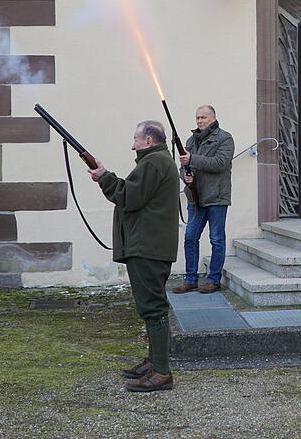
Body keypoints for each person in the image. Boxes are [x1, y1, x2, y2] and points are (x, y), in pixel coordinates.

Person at [88, 120, 179, 391]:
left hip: (147, 247)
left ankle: (161, 372)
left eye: (136, 140)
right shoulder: (157, 161)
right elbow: (135, 194)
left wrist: (104, 176)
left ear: (149, 141)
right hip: (150, 245)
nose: (132, 145)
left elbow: (129, 197)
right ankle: (154, 362)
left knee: (153, 308)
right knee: (151, 306)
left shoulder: (153, 163)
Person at [172, 105, 234, 295]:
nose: (199, 121)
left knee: (216, 239)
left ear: (214, 118)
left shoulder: (225, 138)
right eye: (197, 118)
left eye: (203, 117)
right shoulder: (191, 140)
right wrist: (185, 176)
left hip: (216, 196)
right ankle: (190, 279)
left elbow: (220, 163)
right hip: (195, 198)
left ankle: (213, 280)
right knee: (190, 238)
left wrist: (192, 160)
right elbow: (183, 165)